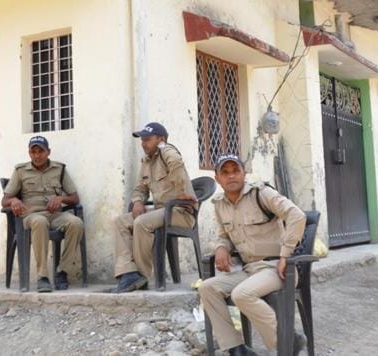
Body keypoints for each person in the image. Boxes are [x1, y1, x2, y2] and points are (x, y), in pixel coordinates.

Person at [199, 153, 307, 356]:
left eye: (235, 171)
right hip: (249, 270)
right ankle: (237, 349)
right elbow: (223, 235)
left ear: (244, 173)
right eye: (225, 172)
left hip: (277, 268)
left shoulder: (261, 193)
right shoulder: (219, 204)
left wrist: (286, 255)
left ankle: (287, 342)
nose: (231, 176)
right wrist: (221, 247)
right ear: (217, 178)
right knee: (207, 288)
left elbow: (296, 215)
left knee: (242, 294)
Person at [112, 122, 198, 293]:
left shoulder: (168, 151)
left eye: (148, 139)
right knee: (120, 221)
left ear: (161, 139)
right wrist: (137, 202)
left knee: (142, 222)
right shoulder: (146, 161)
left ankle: (142, 275)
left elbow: (176, 163)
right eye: (142, 140)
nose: (144, 143)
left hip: (181, 212)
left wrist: (182, 190)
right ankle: (129, 272)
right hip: (160, 212)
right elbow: (139, 189)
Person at [2, 136, 83, 292]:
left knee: (76, 223)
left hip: (55, 215)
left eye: (41, 151)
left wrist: (61, 198)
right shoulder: (20, 171)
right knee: (39, 221)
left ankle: (62, 272)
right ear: (29, 153)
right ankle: (43, 276)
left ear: (48, 152)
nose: (37, 155)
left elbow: (75, 198)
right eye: (33, 152)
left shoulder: (59, 170)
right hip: (31, 216)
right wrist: (13, 201)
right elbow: (4, 200)